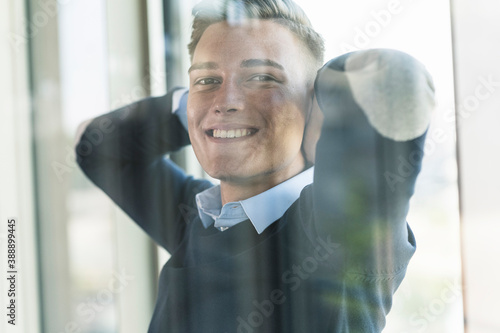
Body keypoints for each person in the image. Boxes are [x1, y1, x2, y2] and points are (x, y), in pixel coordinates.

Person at [76, 0, 435, 331]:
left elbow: (398, 79)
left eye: (262, 78)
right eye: (207, 81)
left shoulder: (334, 236)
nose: (226, 100)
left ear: (313, 104)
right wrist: (196, 107)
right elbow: (97, 148)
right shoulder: (199, 219)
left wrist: (319, 97)